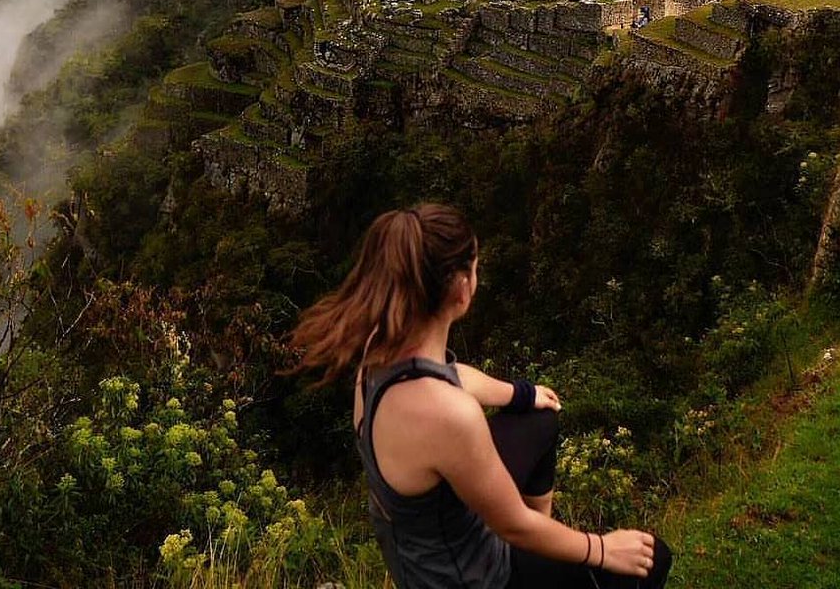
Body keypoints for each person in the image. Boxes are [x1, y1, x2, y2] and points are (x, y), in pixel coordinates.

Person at [284, 202, 673, 588]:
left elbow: (451, 375)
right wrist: (602, 549)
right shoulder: (450, 416)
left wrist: (524, 394)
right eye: (474, 267)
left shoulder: (381, 347)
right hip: (469, 577)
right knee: (652, 558)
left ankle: (549, 540)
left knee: (539, 420)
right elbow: (513, 526)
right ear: (461, 288)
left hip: (420, 542)